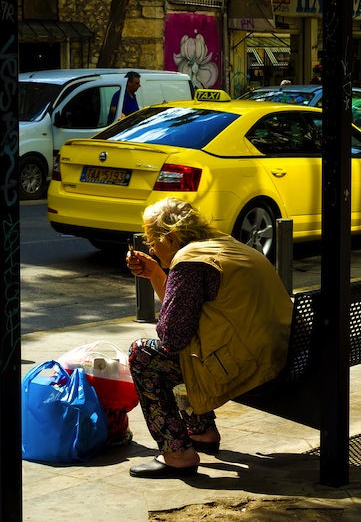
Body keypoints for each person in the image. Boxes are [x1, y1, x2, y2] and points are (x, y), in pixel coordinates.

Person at [124, 198, 293, 479]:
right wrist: (155, 272)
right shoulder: (223, 245)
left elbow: (172, 337)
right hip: (279, 354)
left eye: (152, 239)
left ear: (172, 237)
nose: (150, 247)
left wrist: (164, 277)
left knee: (143, 354)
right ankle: (201, 432)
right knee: (188, 347)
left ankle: (177, 453)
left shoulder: (190, 262)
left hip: (250, 367)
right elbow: (187, 317)